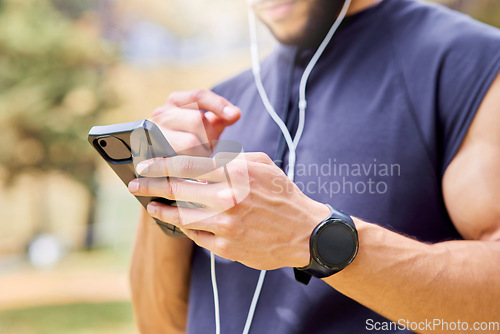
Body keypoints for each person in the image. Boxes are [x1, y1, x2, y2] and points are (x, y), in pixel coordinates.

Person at [127, 0, 500, 333]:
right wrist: (164, 188)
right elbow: (161, 325)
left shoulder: (471, 63)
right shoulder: (222, 102)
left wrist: (315, 238)